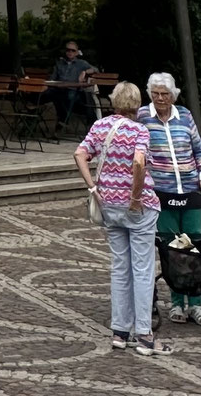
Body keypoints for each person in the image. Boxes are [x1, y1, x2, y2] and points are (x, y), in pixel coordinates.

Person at [75, 80, 174, 356]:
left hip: (108, 205)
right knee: (141, 270)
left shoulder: (100, 126)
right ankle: (144, 335)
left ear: (114, 102)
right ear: (137, 104)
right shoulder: (139, 130)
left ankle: (120, 332)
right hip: (137, 208)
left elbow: (80, 154)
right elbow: (139, 163)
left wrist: (92, 187)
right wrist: (135, 196)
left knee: (120, 268)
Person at [138, 72, 201, 323]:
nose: (160, 98)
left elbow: (199, 150)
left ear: (173, 95)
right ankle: (177, 303)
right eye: (156, 94)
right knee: (172, 248)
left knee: (194, 245)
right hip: (162, 193)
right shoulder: (143, 117)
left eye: (165, 94)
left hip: (190, 190)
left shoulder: (185, 116)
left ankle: (196, 301)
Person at [50, 39, 98, 126]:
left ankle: (63, 121)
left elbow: (95, 70)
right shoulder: (59, 63)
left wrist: (85, 72)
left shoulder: (81, 63)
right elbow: (52, 79)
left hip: (74, 90)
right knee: (50, 94)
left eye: (73, 50)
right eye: (68, 50)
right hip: (59, 89)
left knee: (69, 96)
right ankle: (32, 105)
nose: (70, 52)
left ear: (76, 53)